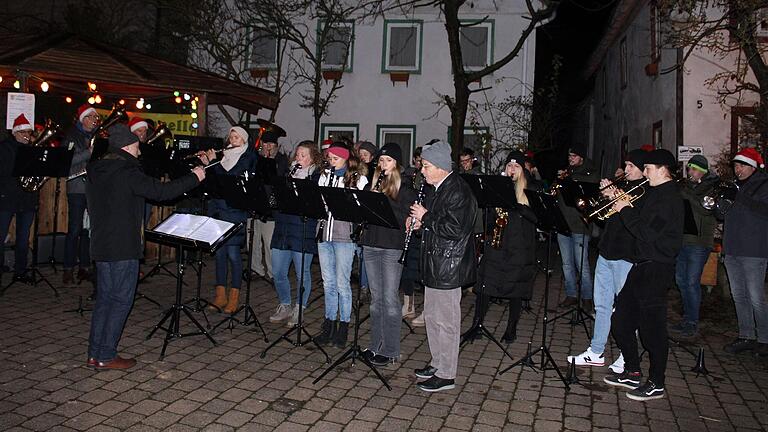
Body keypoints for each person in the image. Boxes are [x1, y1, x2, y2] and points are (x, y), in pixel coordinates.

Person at [85, 124, 205, 369]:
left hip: (101, 243)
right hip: (122, 246)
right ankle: (106, 355)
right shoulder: (126, 171)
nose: (140, 151)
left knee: (105, 299)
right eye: (137, 146)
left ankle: (95, 353)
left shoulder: (97, 169)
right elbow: (161, 192)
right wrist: (195, 177)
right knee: (120, 300)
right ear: (128, 146)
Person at [604, 149, 683, 401]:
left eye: (647, 168)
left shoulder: (670, 199)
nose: (644, 172)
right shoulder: (653, 192)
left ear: (662, 170)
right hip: (641, 265)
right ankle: (632, 370)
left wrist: (624, 209)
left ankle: (657, 382)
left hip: (657, 267)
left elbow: (647, 233)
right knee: (621, 321)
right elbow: (638, 217)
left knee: (653, 330)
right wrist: (617, 198)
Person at [567, 149, 647, 373]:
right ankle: (596, 350)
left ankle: (627, 354)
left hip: (627, 256)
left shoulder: (645, 191)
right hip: (607, 251)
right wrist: (606, 196)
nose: (626, 170)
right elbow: (604, 219)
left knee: (626, 308)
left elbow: (636, 221)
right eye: (626, 165)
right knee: (601, 306)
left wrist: (616, 196)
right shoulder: (623, 188)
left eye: (631, 166)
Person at [409, 140, 477, 392]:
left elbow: (456, 229)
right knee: (433, 318)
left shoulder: (457, 190)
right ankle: (437, 363)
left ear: (439, 166)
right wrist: (419, 224)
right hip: (436, 262)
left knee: (446, 321)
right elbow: (438, 223)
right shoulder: (438, 187)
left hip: (449, 265)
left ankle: (447, 373)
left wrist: (425, 217)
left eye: (426, 166)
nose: (422, 170)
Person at [469, 151, 540, 344]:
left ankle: (511, 328)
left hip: (520, 247)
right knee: (485, 283)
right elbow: (489, 217)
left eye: (516, 167)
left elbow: (538, 218)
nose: (512, 169)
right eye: (509, 166)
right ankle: (477, 324)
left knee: (515, 287)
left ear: (523, 170)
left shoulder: (531, 188)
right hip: (497, 244)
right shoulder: (499, 187)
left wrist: (519, 206)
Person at [357, 143, 416, 366]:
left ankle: (391, 349)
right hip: (371, 244)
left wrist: (382, 201)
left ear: (397, 164)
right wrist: (368, 197)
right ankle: (375, 345)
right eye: (381, 161)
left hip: (392, 247)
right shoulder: (375, 185)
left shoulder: (406, 189)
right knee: (375, 299)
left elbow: (403, 218)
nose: (383, 165)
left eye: (388, 161)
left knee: (390, 299)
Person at [314, 142, 368, 348]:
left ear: (345, 158)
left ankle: (344, 326)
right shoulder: (324, 176)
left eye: (335, 158)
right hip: (324, 233)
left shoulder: (358, 179)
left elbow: (358, 208)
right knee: (328, 282)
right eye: (329, 158)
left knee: (342, 283)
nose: (331, 161)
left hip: (344, 236)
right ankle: (329, 323)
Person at [720, 148, 768, 356]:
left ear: (753, 167)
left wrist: (738, 196)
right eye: (736, 165)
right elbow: (722, 213)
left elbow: (763, 210)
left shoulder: (764, 184)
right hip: (732, 247)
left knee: (756, 296)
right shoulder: (735, 186)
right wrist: (720, 201)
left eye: (741, 165)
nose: (737, 169)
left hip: (754, 249)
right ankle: (746, 335)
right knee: (738, 294)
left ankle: (765, 339)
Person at [268, 141, 322, 326]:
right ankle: (285, 304)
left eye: (303, 155)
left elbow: (314, 205)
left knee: (302, 272)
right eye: (297, 154)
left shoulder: (316, 178)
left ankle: (300, 307)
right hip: (282, 228)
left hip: (302, 229)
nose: (298, 158)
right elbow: (275, 201)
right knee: (278, 271)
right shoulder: (287, 175)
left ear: (313, 158)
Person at [206, 126, 258, 314]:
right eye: (231, 137)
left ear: (244, 140)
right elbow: (214, 180)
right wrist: (207, 164)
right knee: (219, 254)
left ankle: (234, 297)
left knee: (233, 255)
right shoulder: (224, 157)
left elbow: (230, 176)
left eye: (237, 137)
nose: (233, 140)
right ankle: (220, 296)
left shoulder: (248, 157)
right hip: (219, 210)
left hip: (235, 211)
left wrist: (214, 163)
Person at [672, 154, 719, 338]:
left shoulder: (712, 187)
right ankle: (686, 319)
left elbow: (704, 210)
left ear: (703, 171)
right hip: (682, 239)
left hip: (699, 242)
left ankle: (692, 322)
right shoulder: (685, 187)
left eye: (694, 169)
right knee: (680, 280)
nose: (690, 172)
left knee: (692, 283)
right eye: (689, 168)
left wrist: (686, 194)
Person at [555, 144, 599, 309]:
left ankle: (587, 297)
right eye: (569, 156)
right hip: (563, 223)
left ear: (581, 157)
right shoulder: (567, 172)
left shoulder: (590, 172)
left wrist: (568, 180)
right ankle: (571, 294)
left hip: (580, 224)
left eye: (573, 156)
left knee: (582, 264)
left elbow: (591, 184)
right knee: (566, 264)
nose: (570, 158)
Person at [62, 104, 99, 285]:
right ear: (83, 119)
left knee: (88, 230)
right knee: (75, 229)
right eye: (92, 117)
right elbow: (67, 161)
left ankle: (85, 266)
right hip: (77, 188)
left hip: (92, 189)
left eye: (95, 117)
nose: (95, 120)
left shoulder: (96, 137)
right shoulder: (71, 136)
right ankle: (68, 268)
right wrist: (89, 152)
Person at [0, 114, 38, 282]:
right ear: (14, 132)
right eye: (22, 132)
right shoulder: (5, 148)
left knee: (23, 238)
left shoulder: (32, 149)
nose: (26, 136)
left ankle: (20, 271)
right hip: (7, 197)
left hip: (27, 198)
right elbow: (6, 170)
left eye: (28, 132)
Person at [248, 131, 289, 283]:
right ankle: (256, 269)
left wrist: (269, 161)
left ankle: (273, 273)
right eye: (265, 144)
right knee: (252, 239)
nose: (268, 147)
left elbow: (279, 180)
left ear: (277, 146)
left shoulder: (281, 160)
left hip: (271, 207)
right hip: (256, 203)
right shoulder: (255, 158)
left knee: (269, 242)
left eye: (271, 145)